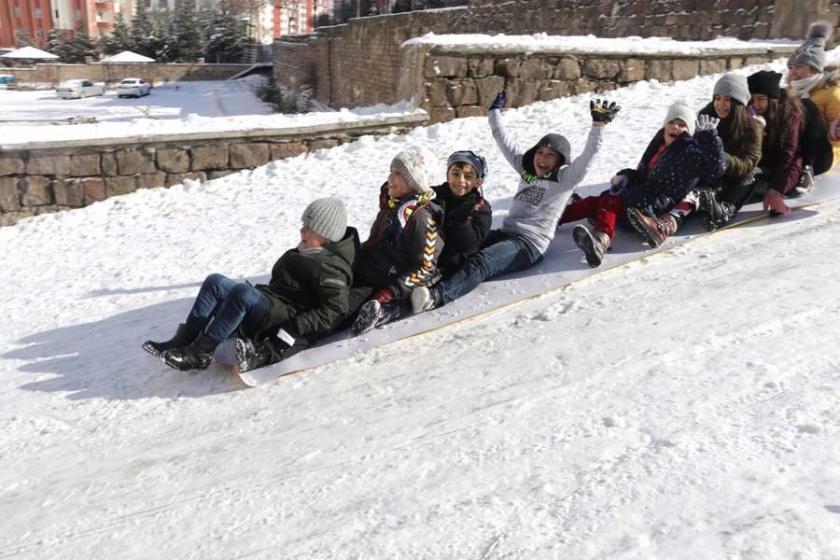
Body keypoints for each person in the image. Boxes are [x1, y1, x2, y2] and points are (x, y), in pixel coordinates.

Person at [410, 90, 615, 313]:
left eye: (550, 155)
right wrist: (494, 113)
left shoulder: (564, 179)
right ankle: (427, 280)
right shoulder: (526, 170)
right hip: (507, 232)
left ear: (560, 161)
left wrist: (598, 126)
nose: (542, 159)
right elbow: (503, 140)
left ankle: (436, 297)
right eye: (540, 152)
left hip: (529, 244)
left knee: (482, 262)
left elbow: (588, 158)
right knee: (464, 250)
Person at [143, 197, 358, 373]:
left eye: (309, 228)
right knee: (215, 282)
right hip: (273, 301)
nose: (302, 231)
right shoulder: (309, 250)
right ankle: (185, 339)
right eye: (304, 225)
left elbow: (334, 310)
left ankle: (201, 353)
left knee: (242, 294)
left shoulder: (333, 268)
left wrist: (297, 326)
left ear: (325, 235)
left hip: (286, 317)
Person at [563, 101, 725, 264]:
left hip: (653, 207)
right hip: (642, 195)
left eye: (681, 125)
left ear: (689, 131)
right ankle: (554, 218)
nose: (675, 127)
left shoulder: (690, 151)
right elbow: (643, 174)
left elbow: (714, 171)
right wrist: (626, 176)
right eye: (671, 122)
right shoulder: (660, 144)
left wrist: (710, 139)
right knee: (595, 202)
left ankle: (601, 241)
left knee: (610, 201)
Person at [349, 146, 444, 334]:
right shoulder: (393, 207)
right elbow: (375, 244)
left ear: (415, 182)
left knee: (336, 306)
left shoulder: (420, 217)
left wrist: (390, 292)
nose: (390, 179)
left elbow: (425, 268)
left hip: (383, 281)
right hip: (367, 269)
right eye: (391, 172)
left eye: (399, 174)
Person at [675, 73, 765, 232]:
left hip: (734, 178)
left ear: (739, 102)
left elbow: (748, 163)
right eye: (717, 98)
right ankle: (676, 214)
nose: (721, 104)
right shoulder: (705, 116)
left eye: (728, 99)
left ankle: (727, 208)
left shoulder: (752, 127)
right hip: (709, 175)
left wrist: (719, 156)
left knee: (753, 173)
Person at [747, 70, 806, 216]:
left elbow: (788, 153)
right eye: (752, 99)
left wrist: (776, 190)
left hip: (790, 160)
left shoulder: (790, 114)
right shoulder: (749, 112)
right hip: (764, 160)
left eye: (761, 99)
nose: (755, 104)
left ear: (772, 99)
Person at [786, 20, 838, 180]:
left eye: (798, 67)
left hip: (822, 154)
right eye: (791, 67)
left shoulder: (832, 93)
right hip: (792, 149)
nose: (793, 72)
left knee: (806, 107)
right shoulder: (790, 91)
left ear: (814, 68)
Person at [432, 150, 492, 275]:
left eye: (468, 176)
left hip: (452, 263)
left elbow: (469, 246)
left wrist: (461, 221)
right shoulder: (434, 195)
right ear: (447, 175)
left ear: (478, 182)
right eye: (455, 174)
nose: (461, 180)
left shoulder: (480, 208)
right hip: (425, 253)